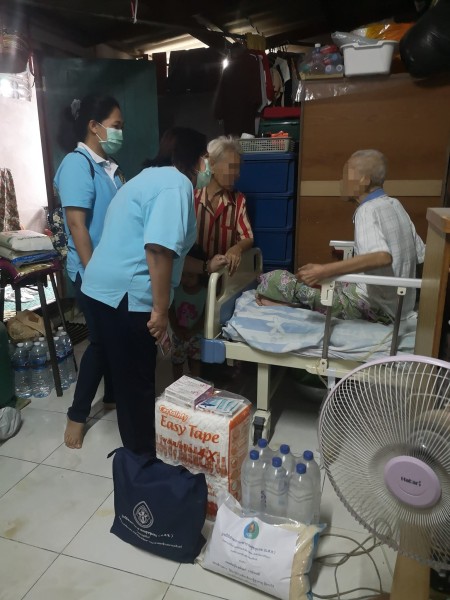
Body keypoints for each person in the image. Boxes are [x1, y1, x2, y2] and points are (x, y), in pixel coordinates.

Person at [81, 127, 209, 455]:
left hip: (100, 290)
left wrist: (208, 267)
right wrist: (161, 311)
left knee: (127, 380)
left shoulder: (144, 179)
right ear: (194, 158)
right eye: (206, 157)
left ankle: (138, 451)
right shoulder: (176, 183)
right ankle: (141, 462)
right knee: (137, 384)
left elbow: (166, 252)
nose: (207, 165)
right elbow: (158, 249)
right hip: (125, 296)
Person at [256, 150, 425, 323]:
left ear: (364, 180)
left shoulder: (367, 211)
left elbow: (382, 257)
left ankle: (289, 304)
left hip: (375, 308)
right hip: (401, 306)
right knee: (330, 283)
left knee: (276, 279)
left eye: (345, 175)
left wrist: (324, 270)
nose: (341, 182)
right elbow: (421, 254)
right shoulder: (395, 204)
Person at [53, 94, 125, 449]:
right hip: (90, 271)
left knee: (113, 334)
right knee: (100, 341)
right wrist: (95, 274)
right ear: (94, 126)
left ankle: (111, 395)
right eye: (116, 126)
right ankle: (77, 415)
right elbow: (77, 225)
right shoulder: (76, 164)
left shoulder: (109, 167)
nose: (120, 132)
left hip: (112, 269)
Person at [188, 135, 254, 277]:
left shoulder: (238, 201)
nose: (237, 174)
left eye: (238, 168)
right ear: (212, 165)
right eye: (232, 167)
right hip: (192, 275)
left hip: (223, 277)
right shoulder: (191, 197)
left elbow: (247, 237)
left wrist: (237, 248)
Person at [169, 244, 208, 381]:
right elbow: (171, 312)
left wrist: (193, 332)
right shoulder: (177, 290)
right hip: (178, 334)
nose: (186, 280)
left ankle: (195, 385)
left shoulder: (204, 293)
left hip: (197, 334)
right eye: (183, 275)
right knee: (176, 362)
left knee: (196, 361)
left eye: (190, 275)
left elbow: (205, 317)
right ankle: (176, 385)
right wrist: (176, 330)